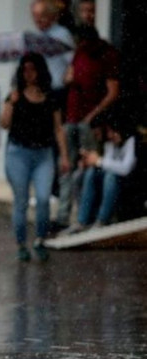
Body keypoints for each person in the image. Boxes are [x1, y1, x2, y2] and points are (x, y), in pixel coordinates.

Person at [0, 53, 70, 262]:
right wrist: (11, 103)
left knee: (43, 198)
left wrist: (64, 156)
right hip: (18, 153)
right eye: (25, 70)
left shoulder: (50, 97)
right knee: (21, 200)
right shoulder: (15, 95)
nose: (29, 74)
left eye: (32, 69)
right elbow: (4, 124)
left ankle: (40, 239)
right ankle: (21, 243)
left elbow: (58, 129)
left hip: (43, 154)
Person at [56, 24, 120, 228]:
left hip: (90, 121)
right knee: (67, 166)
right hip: (72, 116)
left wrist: (93, 116)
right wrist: (68, 79)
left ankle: (87, 216)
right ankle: (65, 215)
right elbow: (67, 76)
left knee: (89, 169)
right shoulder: (79, 53)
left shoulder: (106, 55)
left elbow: (113, 91)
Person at [69, 116, 137, 231]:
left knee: (110, 176)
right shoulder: (109, 144)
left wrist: (99, 161)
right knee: (90, 173)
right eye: (109, 132)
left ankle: (102, 220)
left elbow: (125, 168)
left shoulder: (131, 141)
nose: (111, 135)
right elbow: (106, 165)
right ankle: (82, 220)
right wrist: (90, 161)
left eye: (113, 132)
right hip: (110, 181)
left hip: (128, 181)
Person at [30, 0, 74, 95]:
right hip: (42, 91)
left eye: (41, 15)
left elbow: (73, 61)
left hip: (58, 89)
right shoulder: (37, 36)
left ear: (51, 15)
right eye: (35, 15)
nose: (37, 19)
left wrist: (66, 80)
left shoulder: (62, 34)